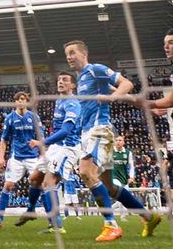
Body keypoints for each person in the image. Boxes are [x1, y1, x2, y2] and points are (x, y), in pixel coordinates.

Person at [63, 40, 160, 242]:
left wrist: (112, 96)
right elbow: (128, 96)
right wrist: (149, 106)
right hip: (90, 133)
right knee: (108, 187)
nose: (69, 57)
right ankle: (148, 216)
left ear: (84, 54)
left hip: (99, 131)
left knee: (86, 172)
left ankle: (111, 225)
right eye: (67, 54)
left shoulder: (95, 70)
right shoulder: (82, 79)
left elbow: (126, 84)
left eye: (72, 53)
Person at [15, 72, 81, 234]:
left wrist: (42, 142)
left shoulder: (72, 103)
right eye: (58, 79)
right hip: (55, 147)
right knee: (34, 178)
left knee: (48, 183)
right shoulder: (59, 101)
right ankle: (31, 210)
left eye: (65, 80)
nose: (60, 82)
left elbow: (66, 131)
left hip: (68, 147)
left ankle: (57, 225)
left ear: (73, 85)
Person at [136, 29, 173, 202]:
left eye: (171, 42)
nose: (167, 46)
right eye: (165, 43)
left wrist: (145, 103)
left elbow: (171, 101)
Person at [0, 91, 41, 224]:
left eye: (23, 99)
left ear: (26, 101)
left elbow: (41, 138)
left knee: (39, 184)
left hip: (32, 156)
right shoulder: (10, 118)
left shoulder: (34, 117)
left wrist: (43, 155)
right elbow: (4, 140)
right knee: (8, 185)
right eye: (18, 99)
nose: (20, 101)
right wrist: (1, 157)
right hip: (16, 157)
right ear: (15, 102)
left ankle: (34, 211)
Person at [110, 136, 135, 221]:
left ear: (123, 142)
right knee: (121, 193)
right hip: (113, 177)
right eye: (116, 140)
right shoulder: (111, 152)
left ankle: (110, 209)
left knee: (124, 197)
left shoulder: (128, 153)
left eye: (120, 140)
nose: (118, 142)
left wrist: (131, 176)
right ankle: (123, 216)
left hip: (124, 178)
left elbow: (131, 166)